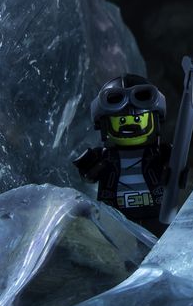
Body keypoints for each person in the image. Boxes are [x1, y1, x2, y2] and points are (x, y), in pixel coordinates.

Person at [72, 73, 182, 235]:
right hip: (116, 219)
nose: (130, 123)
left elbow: (178, 174)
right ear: (103, 124)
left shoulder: (162, 153)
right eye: (121, 121)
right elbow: (87, 176)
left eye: (138, 119)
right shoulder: (104, 156)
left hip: (157, 214)